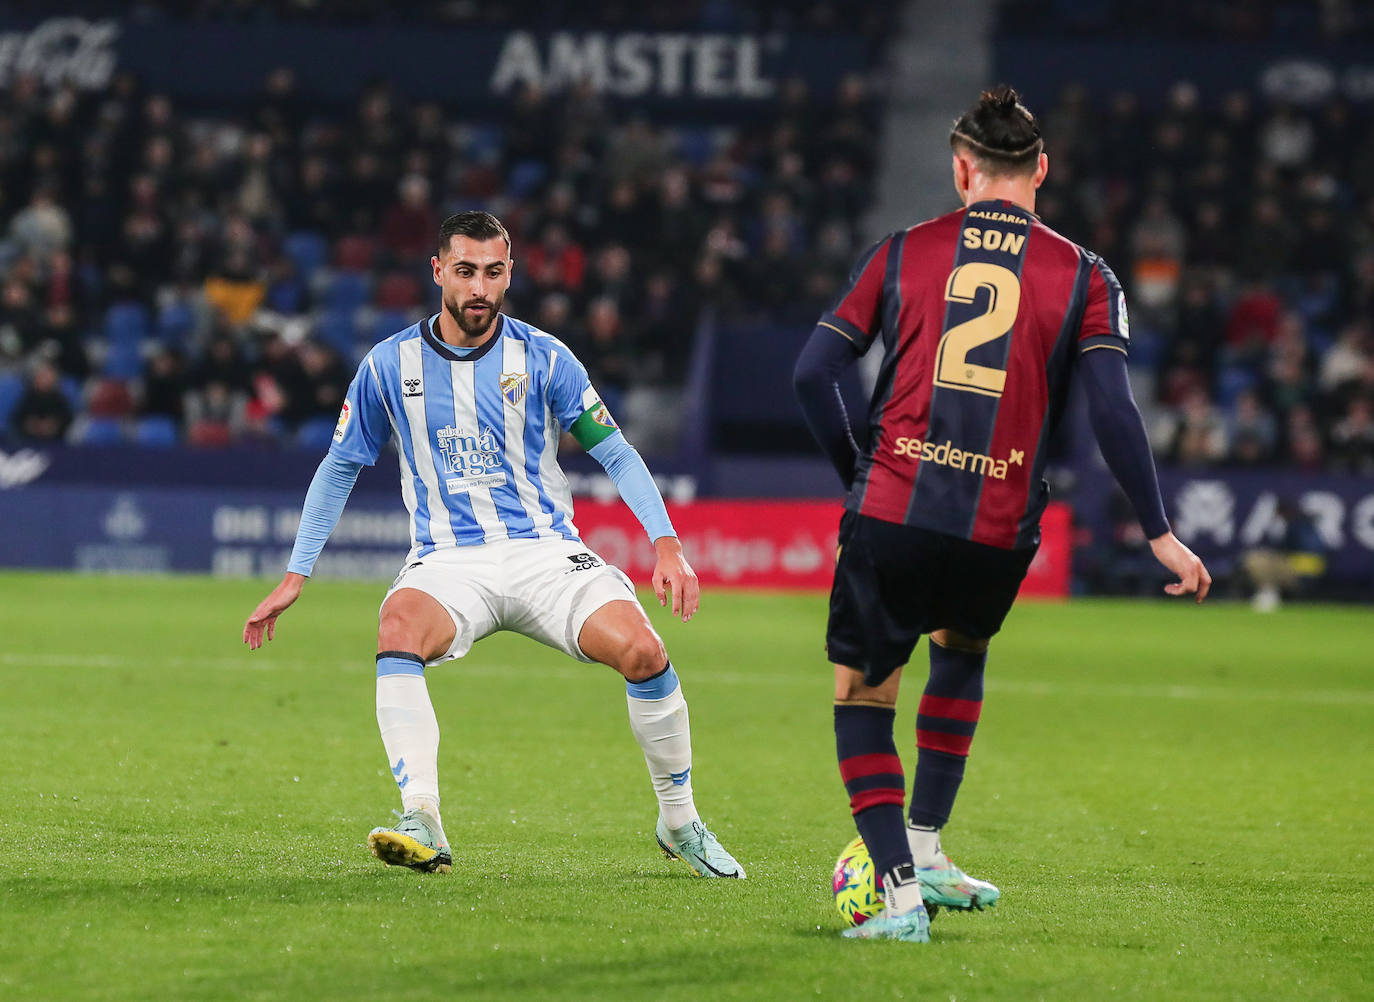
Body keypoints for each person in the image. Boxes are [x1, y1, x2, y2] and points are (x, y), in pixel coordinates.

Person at [794, 87, 1210, 943]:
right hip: (999, 523)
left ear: (960, 171)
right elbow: (1113, 413)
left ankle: (901, 900)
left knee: (863, 695)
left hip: (896, 506)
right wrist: (1160, 530)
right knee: (961, 649)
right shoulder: (1088, 274)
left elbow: (812, 374)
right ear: (1041, 171)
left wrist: (857, 476)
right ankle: (926, 846)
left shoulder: (904, 252)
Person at [243, 211, 744, 879]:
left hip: (544, 552)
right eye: (466, 271)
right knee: (397, 628)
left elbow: (617, 452)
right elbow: (339, 466)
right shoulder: (389, 365)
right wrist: (296, 572)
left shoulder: (546, 357)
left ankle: (679, 821)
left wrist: (666, 544)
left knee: (645, 651)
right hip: (450, 561)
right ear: (438, 272)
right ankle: (421, 816)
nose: (480, 288)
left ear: (510, 273)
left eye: (494, 272)